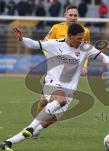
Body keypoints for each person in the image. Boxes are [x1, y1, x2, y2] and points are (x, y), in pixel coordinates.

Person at [0, 23, 109, 151]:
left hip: (69, 91)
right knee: (60, 100)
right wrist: (21, 39)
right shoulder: (55, 44)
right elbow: (35, 44)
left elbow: (104, 57)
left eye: (82, 38)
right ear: (70, 36)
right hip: (52, 83)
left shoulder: (85, 48)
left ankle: (9, 142)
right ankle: (30, 128)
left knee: (45, 123)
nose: (82, 41)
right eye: (79, 38)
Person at [32, 5, 90, 138]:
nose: (73, 18)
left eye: (75, 15)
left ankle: (37, 129)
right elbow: (45, 44)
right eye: (71, 15)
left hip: (71, 73)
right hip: (55, 70)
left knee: (61, 106)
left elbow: (86, 50)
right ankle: (35, 124)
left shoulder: (84, 31)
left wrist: (84, 65)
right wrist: (49, 56)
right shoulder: (56, 28)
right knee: (43, 102)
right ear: (65, 15)